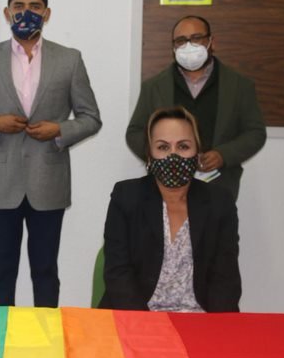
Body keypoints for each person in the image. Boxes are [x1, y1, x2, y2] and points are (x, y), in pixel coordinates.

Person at [0, 0, 102, 307]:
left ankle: (46, 334)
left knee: (45, 272)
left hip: (49, 182)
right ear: (7, 13)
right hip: (0, 185)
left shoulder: (69, 59)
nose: (26, 12)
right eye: (19, 6)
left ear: (47, 13)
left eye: (34, 6)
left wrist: (59, 130)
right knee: (1, 273)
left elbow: (91, 118)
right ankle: (0, 333)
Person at [101, 106, 241, 312]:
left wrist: (214, 326)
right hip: (137, 316)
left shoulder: (220, 202)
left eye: (183, 146)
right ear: (149, 155)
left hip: (200, 317)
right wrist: (145, 324)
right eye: (163, 147)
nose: (173, 156)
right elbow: (118, 273)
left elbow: (225, 278)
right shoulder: (126, 197)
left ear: (198, 152)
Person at [125, 15, 265, 200]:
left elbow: (255, 133)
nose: (188, 46)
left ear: (212, 42)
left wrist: (223, 155)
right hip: (165, 186)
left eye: (196, 38)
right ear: (173, 47)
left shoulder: (239, 85)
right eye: (181, 41)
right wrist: (162, 157)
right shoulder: (154, 87)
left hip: (219, 185)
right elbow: (134, 133)